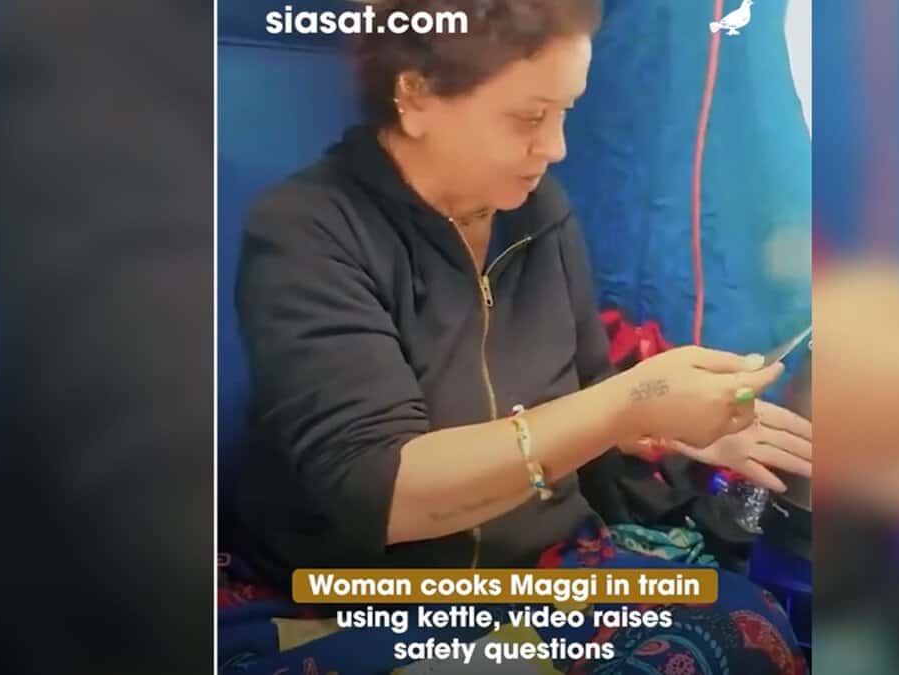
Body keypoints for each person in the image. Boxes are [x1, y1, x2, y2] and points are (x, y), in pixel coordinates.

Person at [232, 1, 808, 672]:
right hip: (360, 597)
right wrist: (627, 404)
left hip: (539, 573)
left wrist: (675, 429)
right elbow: (383, 492)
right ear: (414, 94)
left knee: (748, 631)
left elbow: (591, 393)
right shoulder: (308, 231)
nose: (557, 146)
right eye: (530, 117)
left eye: (566, 111)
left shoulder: (539, 214)